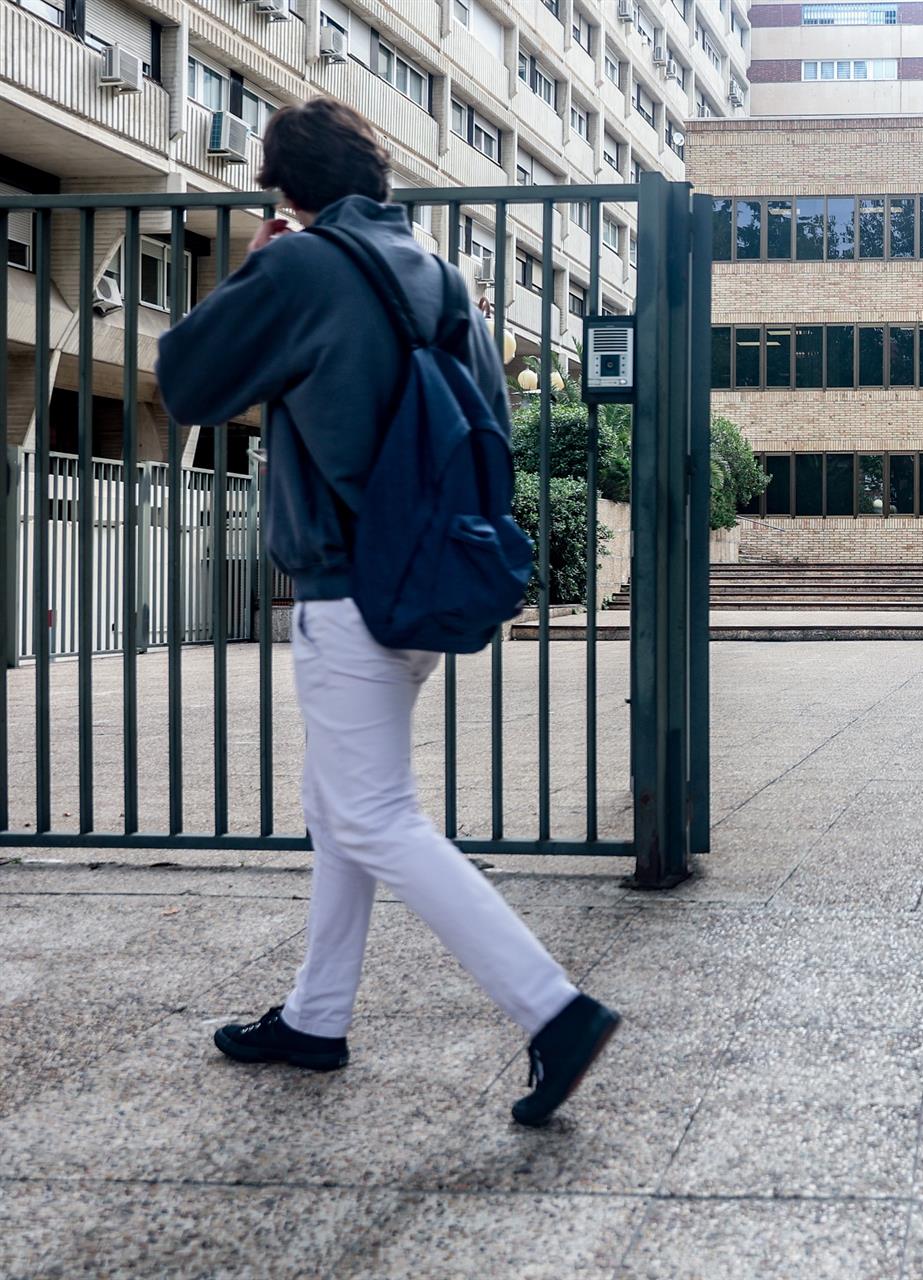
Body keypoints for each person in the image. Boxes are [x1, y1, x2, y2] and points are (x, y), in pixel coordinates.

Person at [156, 98, 618, 1128]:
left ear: (287, 189)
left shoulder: (301, 265)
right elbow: (488, 427)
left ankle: (554, 1008)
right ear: (380, 177)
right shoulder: (442, 274)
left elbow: (186, 379)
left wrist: (259, 260)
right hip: (423, 579)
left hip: (342, 587)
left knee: (372, 814)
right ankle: (315, 1017)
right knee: (340, 810)